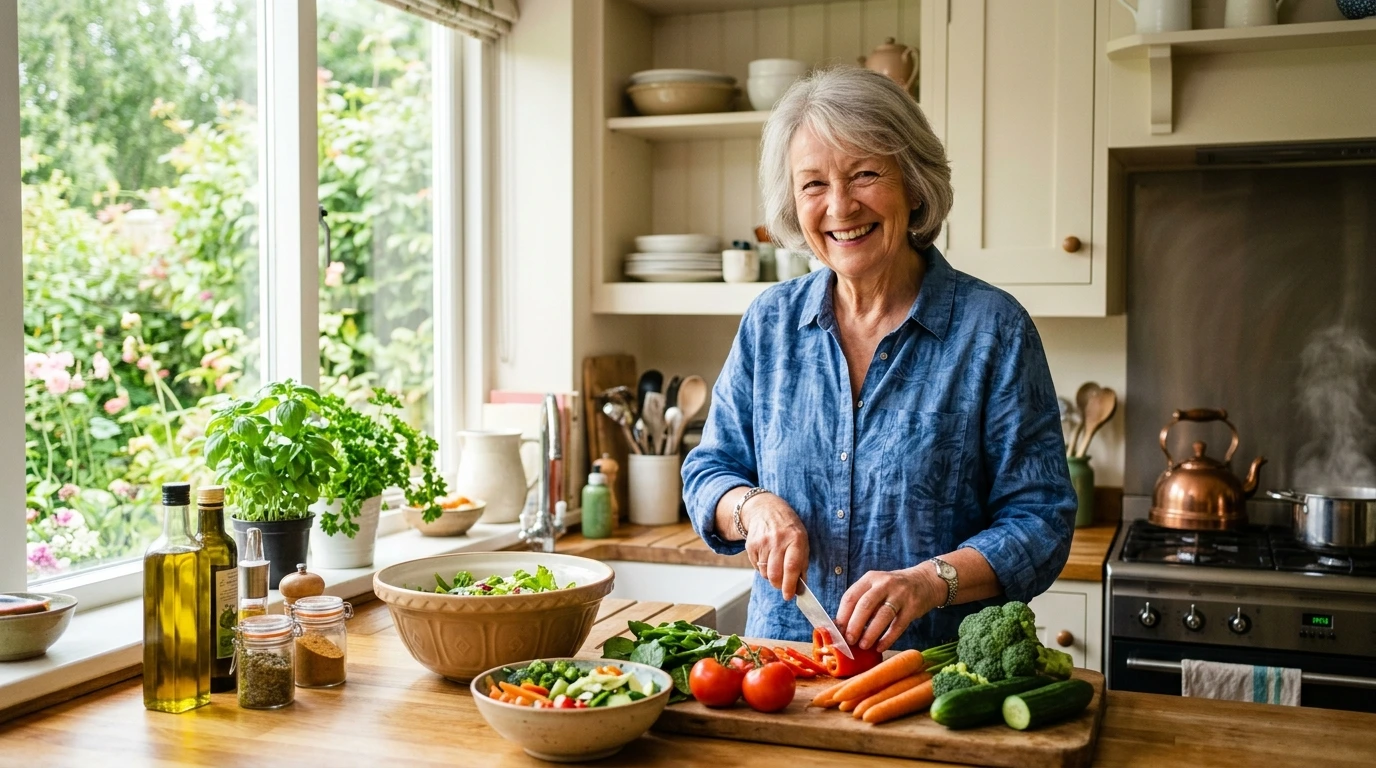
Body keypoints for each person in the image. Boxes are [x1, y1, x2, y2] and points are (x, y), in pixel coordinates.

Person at [681, 67, 1076, 653]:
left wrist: (930, 582)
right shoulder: (769, 324)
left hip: (930, 679)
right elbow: (708, 472)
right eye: (813, 184)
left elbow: (1041, 521)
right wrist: (751, 507)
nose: (840, 206)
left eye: (865, 174)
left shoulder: (993, 330)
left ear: (914, 184)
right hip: (784, 673)